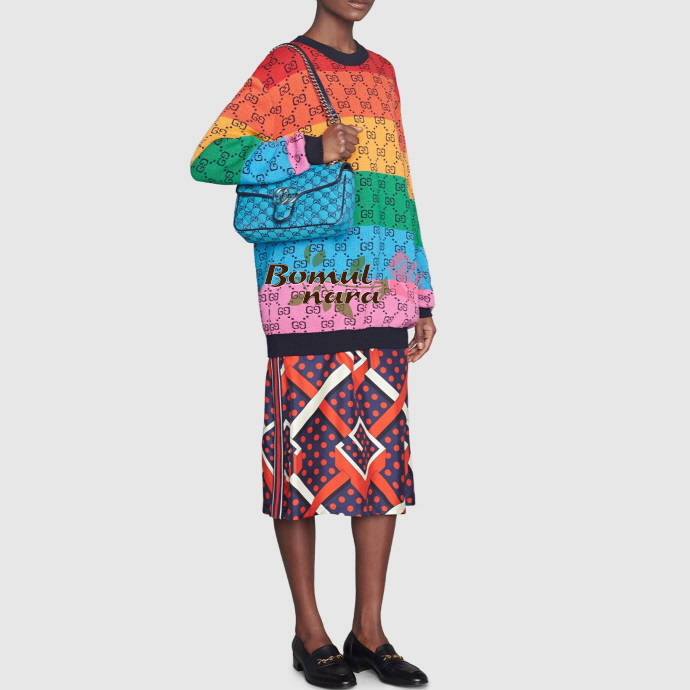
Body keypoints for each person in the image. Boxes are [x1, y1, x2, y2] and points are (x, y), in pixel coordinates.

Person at [190, 1, 437, 686]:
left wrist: (420, 291)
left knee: (380, 468)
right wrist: (308, 149)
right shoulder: (283, 67)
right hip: (303, 296)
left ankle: (369, 632)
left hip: (381, 290)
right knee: (297, 465)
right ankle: (310, 631)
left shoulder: (384, 74)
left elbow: (398, 187)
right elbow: (210, 159)